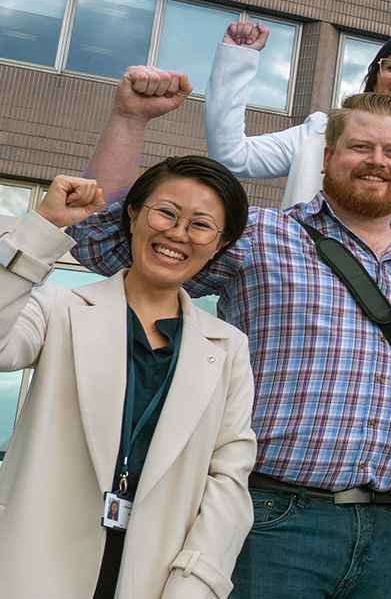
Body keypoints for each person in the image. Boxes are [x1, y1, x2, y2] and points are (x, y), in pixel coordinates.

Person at [71, 71, 391, 599]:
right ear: (328, 157)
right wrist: (130, 120)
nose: (377, 161)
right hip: (271, 516)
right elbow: (102, 243)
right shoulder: (261, 234)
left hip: (381, 528)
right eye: (360, 146)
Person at [0, 164, 256, 599]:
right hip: (35, 564)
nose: (178, 234)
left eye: (201, 225)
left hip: (157, 577)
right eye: (166, 213)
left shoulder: (228, 347)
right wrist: (43, 228)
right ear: (133, 215)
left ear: (219, 245)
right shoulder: (60, 307)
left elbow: (228, 481)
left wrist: (194, 583)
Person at [202, 21, 391, 242]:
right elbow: (232, 155)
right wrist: (236, 62)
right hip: (316, 289)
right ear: (374, 77)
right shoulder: (318, 135)